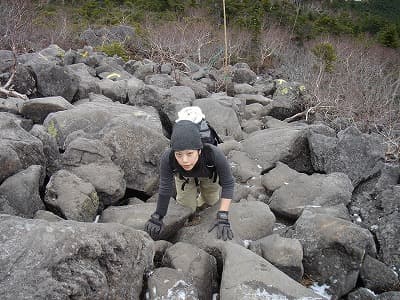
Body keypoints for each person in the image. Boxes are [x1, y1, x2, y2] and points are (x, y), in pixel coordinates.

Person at [145, 119, 235, 241]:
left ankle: (203, 206)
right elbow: (165, 187)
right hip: (183, 176)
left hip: (208, 173)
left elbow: (228, 184)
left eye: (190, 153)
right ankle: (192, 215)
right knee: (186, 207)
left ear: (199, 150)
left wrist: (223, 215)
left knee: (211, 199)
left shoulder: (213, 153)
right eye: (179, 154)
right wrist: (158, 216)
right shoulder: (168, 157)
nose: (185, 160)